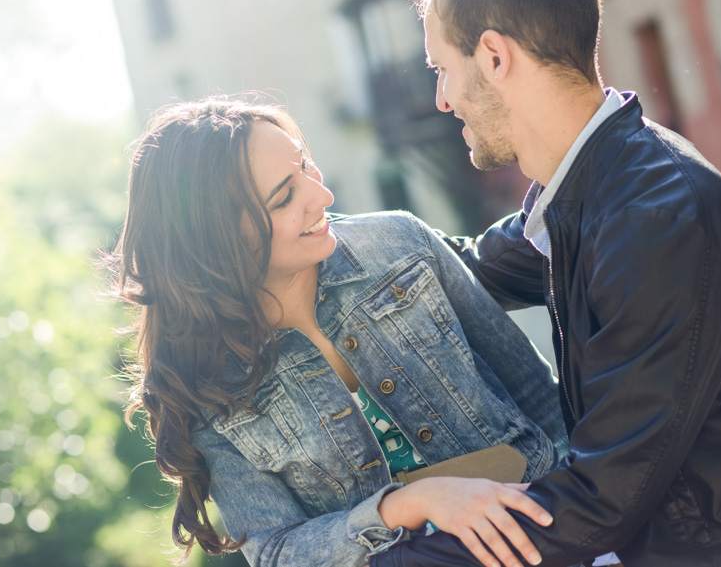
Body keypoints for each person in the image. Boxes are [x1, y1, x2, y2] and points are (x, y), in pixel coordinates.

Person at [107, 96, 569, 567]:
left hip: (553, 537)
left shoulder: (400, 243)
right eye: (284, 197)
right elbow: (277, 551)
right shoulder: (205, 387)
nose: (322, 197)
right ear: (216, 244)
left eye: (306, 165)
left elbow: (540, 400)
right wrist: (411, 503)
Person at [369, 0, 721, 566]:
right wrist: (306, 239)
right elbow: (456, 272)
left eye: (441, 70)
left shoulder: (653, 217)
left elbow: (600, 500)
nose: (442, 98)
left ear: (493, 56)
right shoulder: (590, 192)